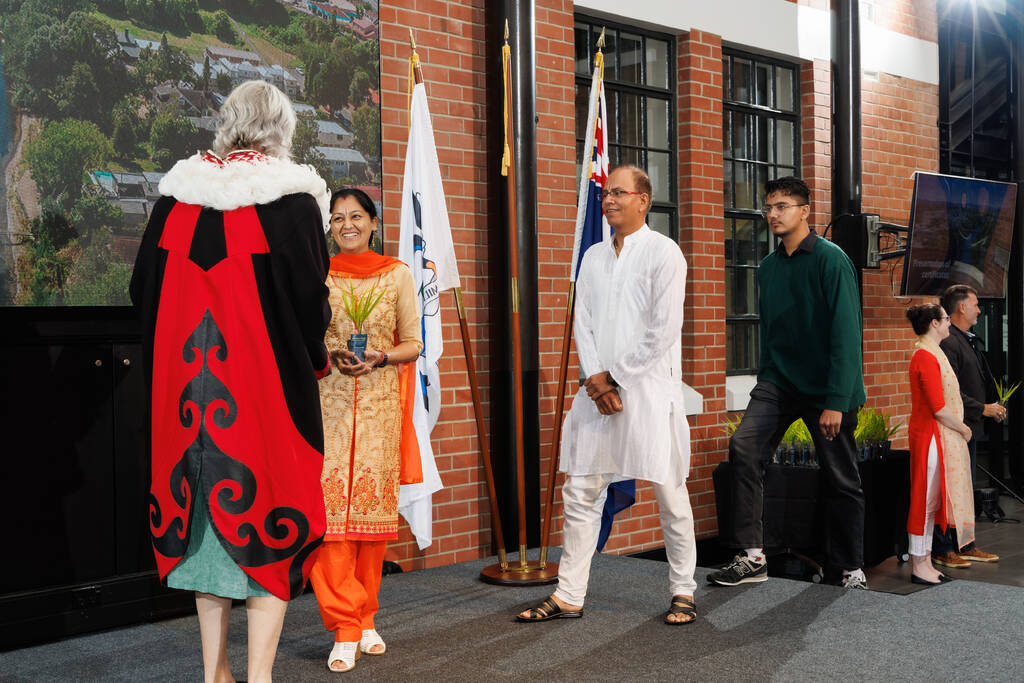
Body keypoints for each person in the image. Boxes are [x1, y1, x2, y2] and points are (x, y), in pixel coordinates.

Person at [130, 80, 332, 683]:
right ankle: (260, 676)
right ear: (281, 129)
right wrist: (314, 359)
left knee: (201, 534)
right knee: (268, 516)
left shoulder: (176, 200)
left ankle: (214, 671)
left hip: (184, 397)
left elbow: (142, 292)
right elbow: (309, 305)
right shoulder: (291, 202)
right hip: (265, 398)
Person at [516, 165, 698, 625]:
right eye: (606, 193)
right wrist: (595, 379)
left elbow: (662, 330)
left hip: (649, 393)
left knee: (670, 494)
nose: (609, 199)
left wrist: (614, 377)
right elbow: (584, 322)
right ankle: (569, 594)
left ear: (643, 199)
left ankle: (683, 591)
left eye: (619, 192)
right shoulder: (594, 256)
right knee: (580, 492)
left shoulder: (665, 253)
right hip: (597, 393)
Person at [709, 176, 869, 589]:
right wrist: (766, 379)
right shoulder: (768, 267)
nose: (773, 214)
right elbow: (773, 333)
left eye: (782, 206)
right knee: (743, 447)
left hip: (828, 389)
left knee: (841, 479)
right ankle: (752, 556)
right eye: (769, 207)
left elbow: (846, 334)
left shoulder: (832, 260)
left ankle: (850, 568)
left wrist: (835, 399)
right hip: (779, 382)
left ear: (805, 211)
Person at [311, 187, 424, 673]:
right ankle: (345, 625)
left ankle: (367, 614)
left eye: (355, 216)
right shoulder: (319, 275)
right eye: (337, 219)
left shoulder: (397, 274)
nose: (347, 225)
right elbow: (307, 337)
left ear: (374, 222)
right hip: (327, 408)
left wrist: (380, 356)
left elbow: (413, 344)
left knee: (373, 527)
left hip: (379, 407)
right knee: (332, 524)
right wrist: (328, 354)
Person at [930, 284, 1003, 568]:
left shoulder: (965, 339)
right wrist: (982, 408)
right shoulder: (949, 343)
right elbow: (950, 392)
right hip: (954, 429)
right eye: (975, 304)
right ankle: (945, 547)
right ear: (961, 307)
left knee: (964, 490)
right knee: (950, 490)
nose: (979, 309)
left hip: (968, 428)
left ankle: (965, 544)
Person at [905, 304, 975, 584]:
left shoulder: (932, 353)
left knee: (932, 502)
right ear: (934, 323)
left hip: (934, 434)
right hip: (930, 435)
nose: (949, 323)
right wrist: (963, 428)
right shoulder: (925, 356)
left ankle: (925, 561)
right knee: (925, 501)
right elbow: (938, 408)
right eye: (946, 319)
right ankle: (918, 563)